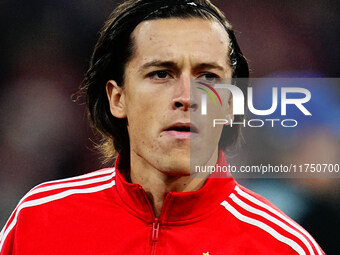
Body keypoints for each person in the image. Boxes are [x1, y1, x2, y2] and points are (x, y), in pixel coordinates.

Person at [0, 0, 325, 254]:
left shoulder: (283, 247)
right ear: (118, 98)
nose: (187, 97)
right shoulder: (38, 221)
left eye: (208, 77)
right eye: (161, 74)